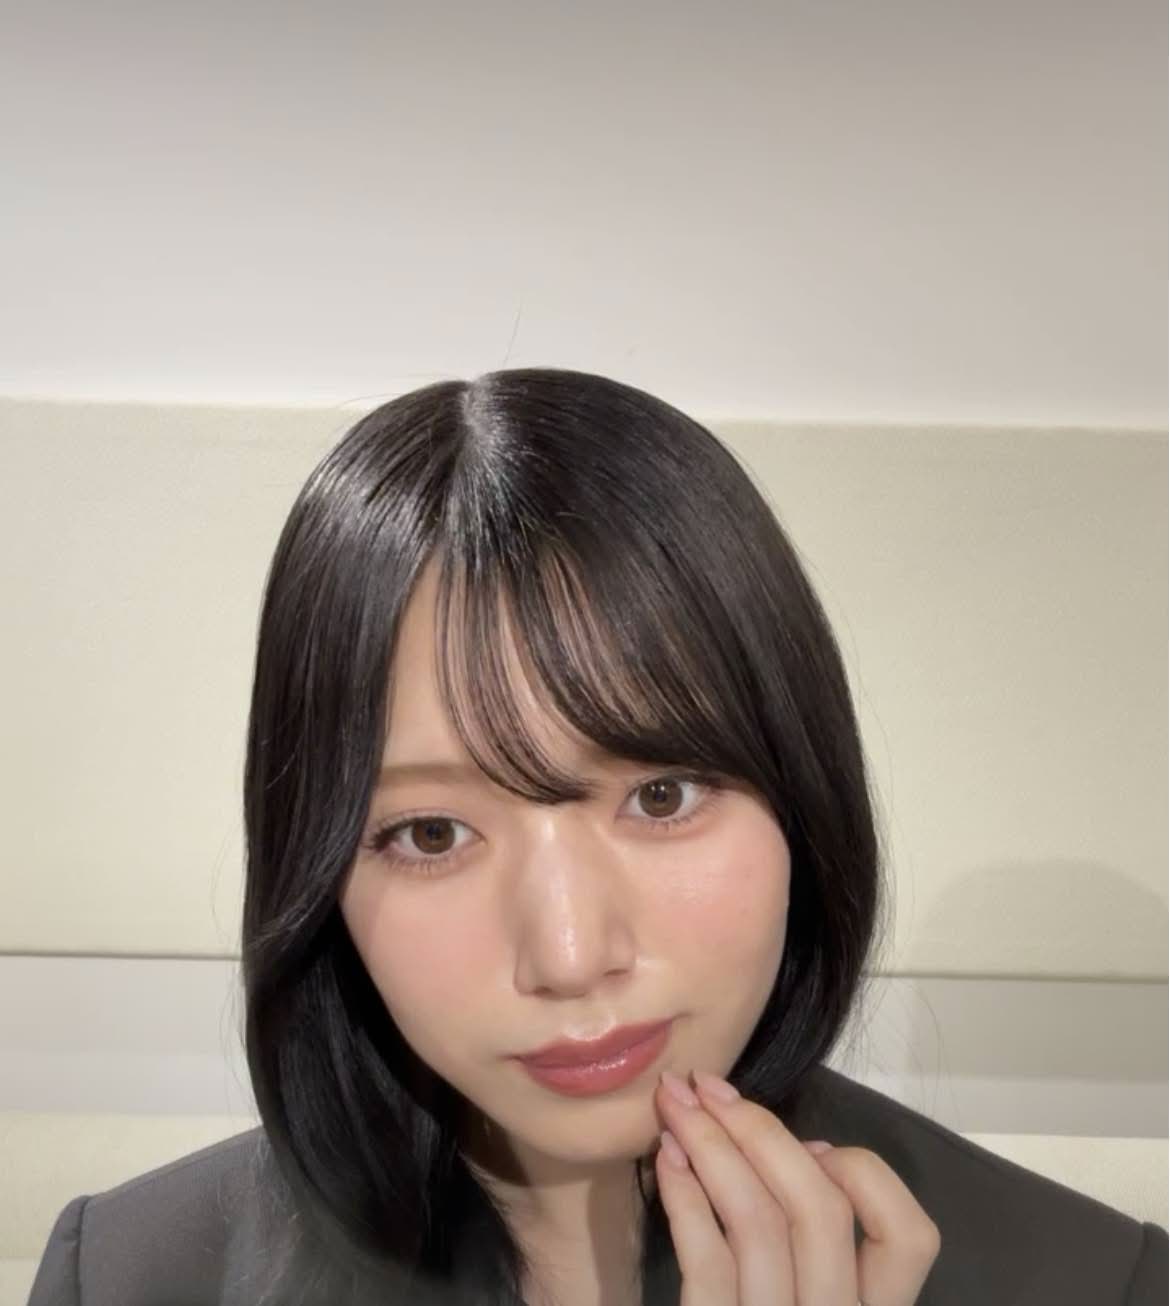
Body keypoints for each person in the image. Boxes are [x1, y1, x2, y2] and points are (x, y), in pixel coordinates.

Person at [28, 368, 1167, 1306]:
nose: (570, 955)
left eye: (662, 796)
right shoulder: (128, 1275)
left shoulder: (1089, 1281)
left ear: (802, 795)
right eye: (431, 831)